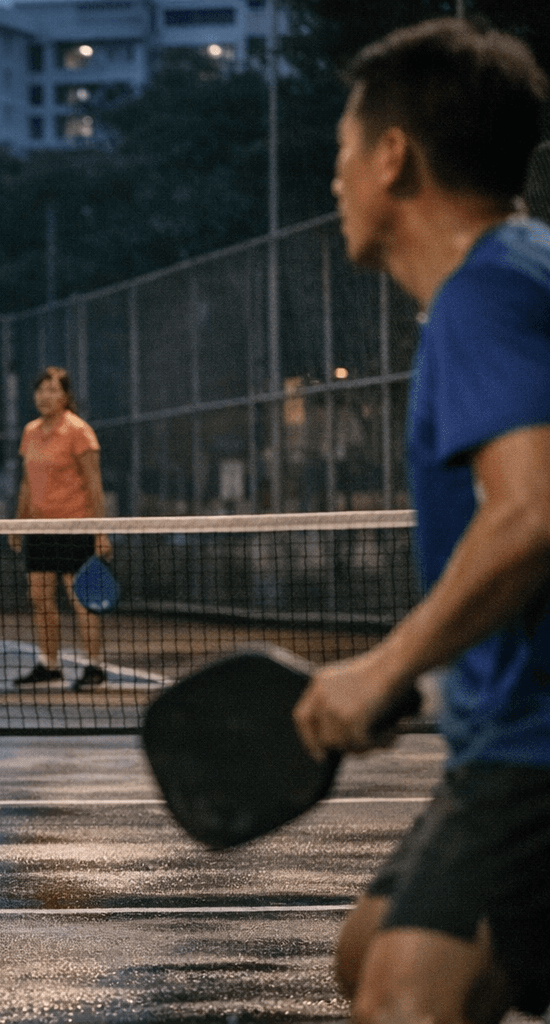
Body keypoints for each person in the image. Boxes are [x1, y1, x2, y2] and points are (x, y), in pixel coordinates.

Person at [291, 19, 550, 1024]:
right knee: (369, 953)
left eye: (345, 152)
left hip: (535, 747)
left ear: (393, 155)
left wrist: (386, 666)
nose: (336, 179)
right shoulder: (514, 275)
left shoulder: (485, 291)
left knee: (406, 996)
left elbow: (530, 513)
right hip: (504, 738)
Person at [8, 367, 112, 691]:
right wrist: (18, 523)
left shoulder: (79, 431)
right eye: (40, 390)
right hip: (39, 529)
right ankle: (50, 666)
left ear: (66, 396)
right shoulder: (30, 432)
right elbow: (27, 483)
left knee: (81, 601)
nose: (45, 396)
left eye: (53, 390)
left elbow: (94, 485)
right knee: (39, 598)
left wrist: (100, 531)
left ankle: (94, 666)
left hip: (74, 527)